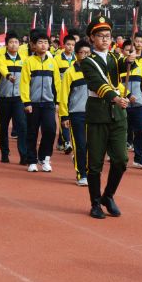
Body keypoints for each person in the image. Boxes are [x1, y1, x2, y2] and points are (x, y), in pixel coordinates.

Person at [79, 16, 130, 219]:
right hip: (98, 114)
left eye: (108, 36)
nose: (105, 40)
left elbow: (126, 68)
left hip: (117, 116)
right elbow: (98, 85)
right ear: (92, 38)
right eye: (100, 36)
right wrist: (115, 98)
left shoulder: (115, 59)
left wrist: (131, 59)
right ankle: (95, 203)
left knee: (121, 160)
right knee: (95, 164)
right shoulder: (87, 62)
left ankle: (108, 196)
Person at [21, 29, 60, 173]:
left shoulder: (53, 62)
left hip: (49, 103)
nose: (43, 45)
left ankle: (45, 158)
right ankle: (31, 160)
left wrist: (58, 101)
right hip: (33, 103)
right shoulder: (28, 62)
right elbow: (24, 83)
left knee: (50, 130)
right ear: (33, 45)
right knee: (32, 132)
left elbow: (57, 83)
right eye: (40, 42)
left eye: (46, 42)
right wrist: (27, 102)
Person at [59, 40, 92, 186]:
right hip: (76, 113)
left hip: (94, 113)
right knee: (80, 145)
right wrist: (64, 115)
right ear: (76, 54)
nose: (84, 56)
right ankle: (81, 174)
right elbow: (64, 95)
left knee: (93, 145)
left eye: (87, 53)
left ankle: (90, 171)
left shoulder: (95, 71)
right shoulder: (70, 73)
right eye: (81, 53)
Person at [120, 39, 142, 170]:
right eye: (128, 50)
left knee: (140, 132)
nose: (130, 53)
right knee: (120, 132)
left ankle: (139, 158)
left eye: (132, 51)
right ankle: (118, 156)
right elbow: (114, 84)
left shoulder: (141, 68)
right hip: (122, 104)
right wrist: (126, 94)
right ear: (123, 51)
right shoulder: (118, 67)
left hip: (138, 106)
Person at [0, 32, 27, 164]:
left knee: (21, 125)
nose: (14, 44)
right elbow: (2, 68)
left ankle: (23, 155)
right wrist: (8, 76)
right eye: (11, 42)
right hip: (4, 97)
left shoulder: (24, 59)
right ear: (6, 44)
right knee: (3, 127)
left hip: (19, 98)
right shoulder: (1, 57)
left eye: (16, 42)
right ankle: (5, 153)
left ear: (19, 44)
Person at [53, 35, 76, 153]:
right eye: (68, 44)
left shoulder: (77, 59)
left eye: (73, 45)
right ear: (63, 45)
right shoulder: (56, 59)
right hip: (62, 93)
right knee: (63, 115)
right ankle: (67, 142)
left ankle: (61, 141)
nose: (70, 47)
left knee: (72, 117)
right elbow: (55, 79)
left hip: (75, 94)